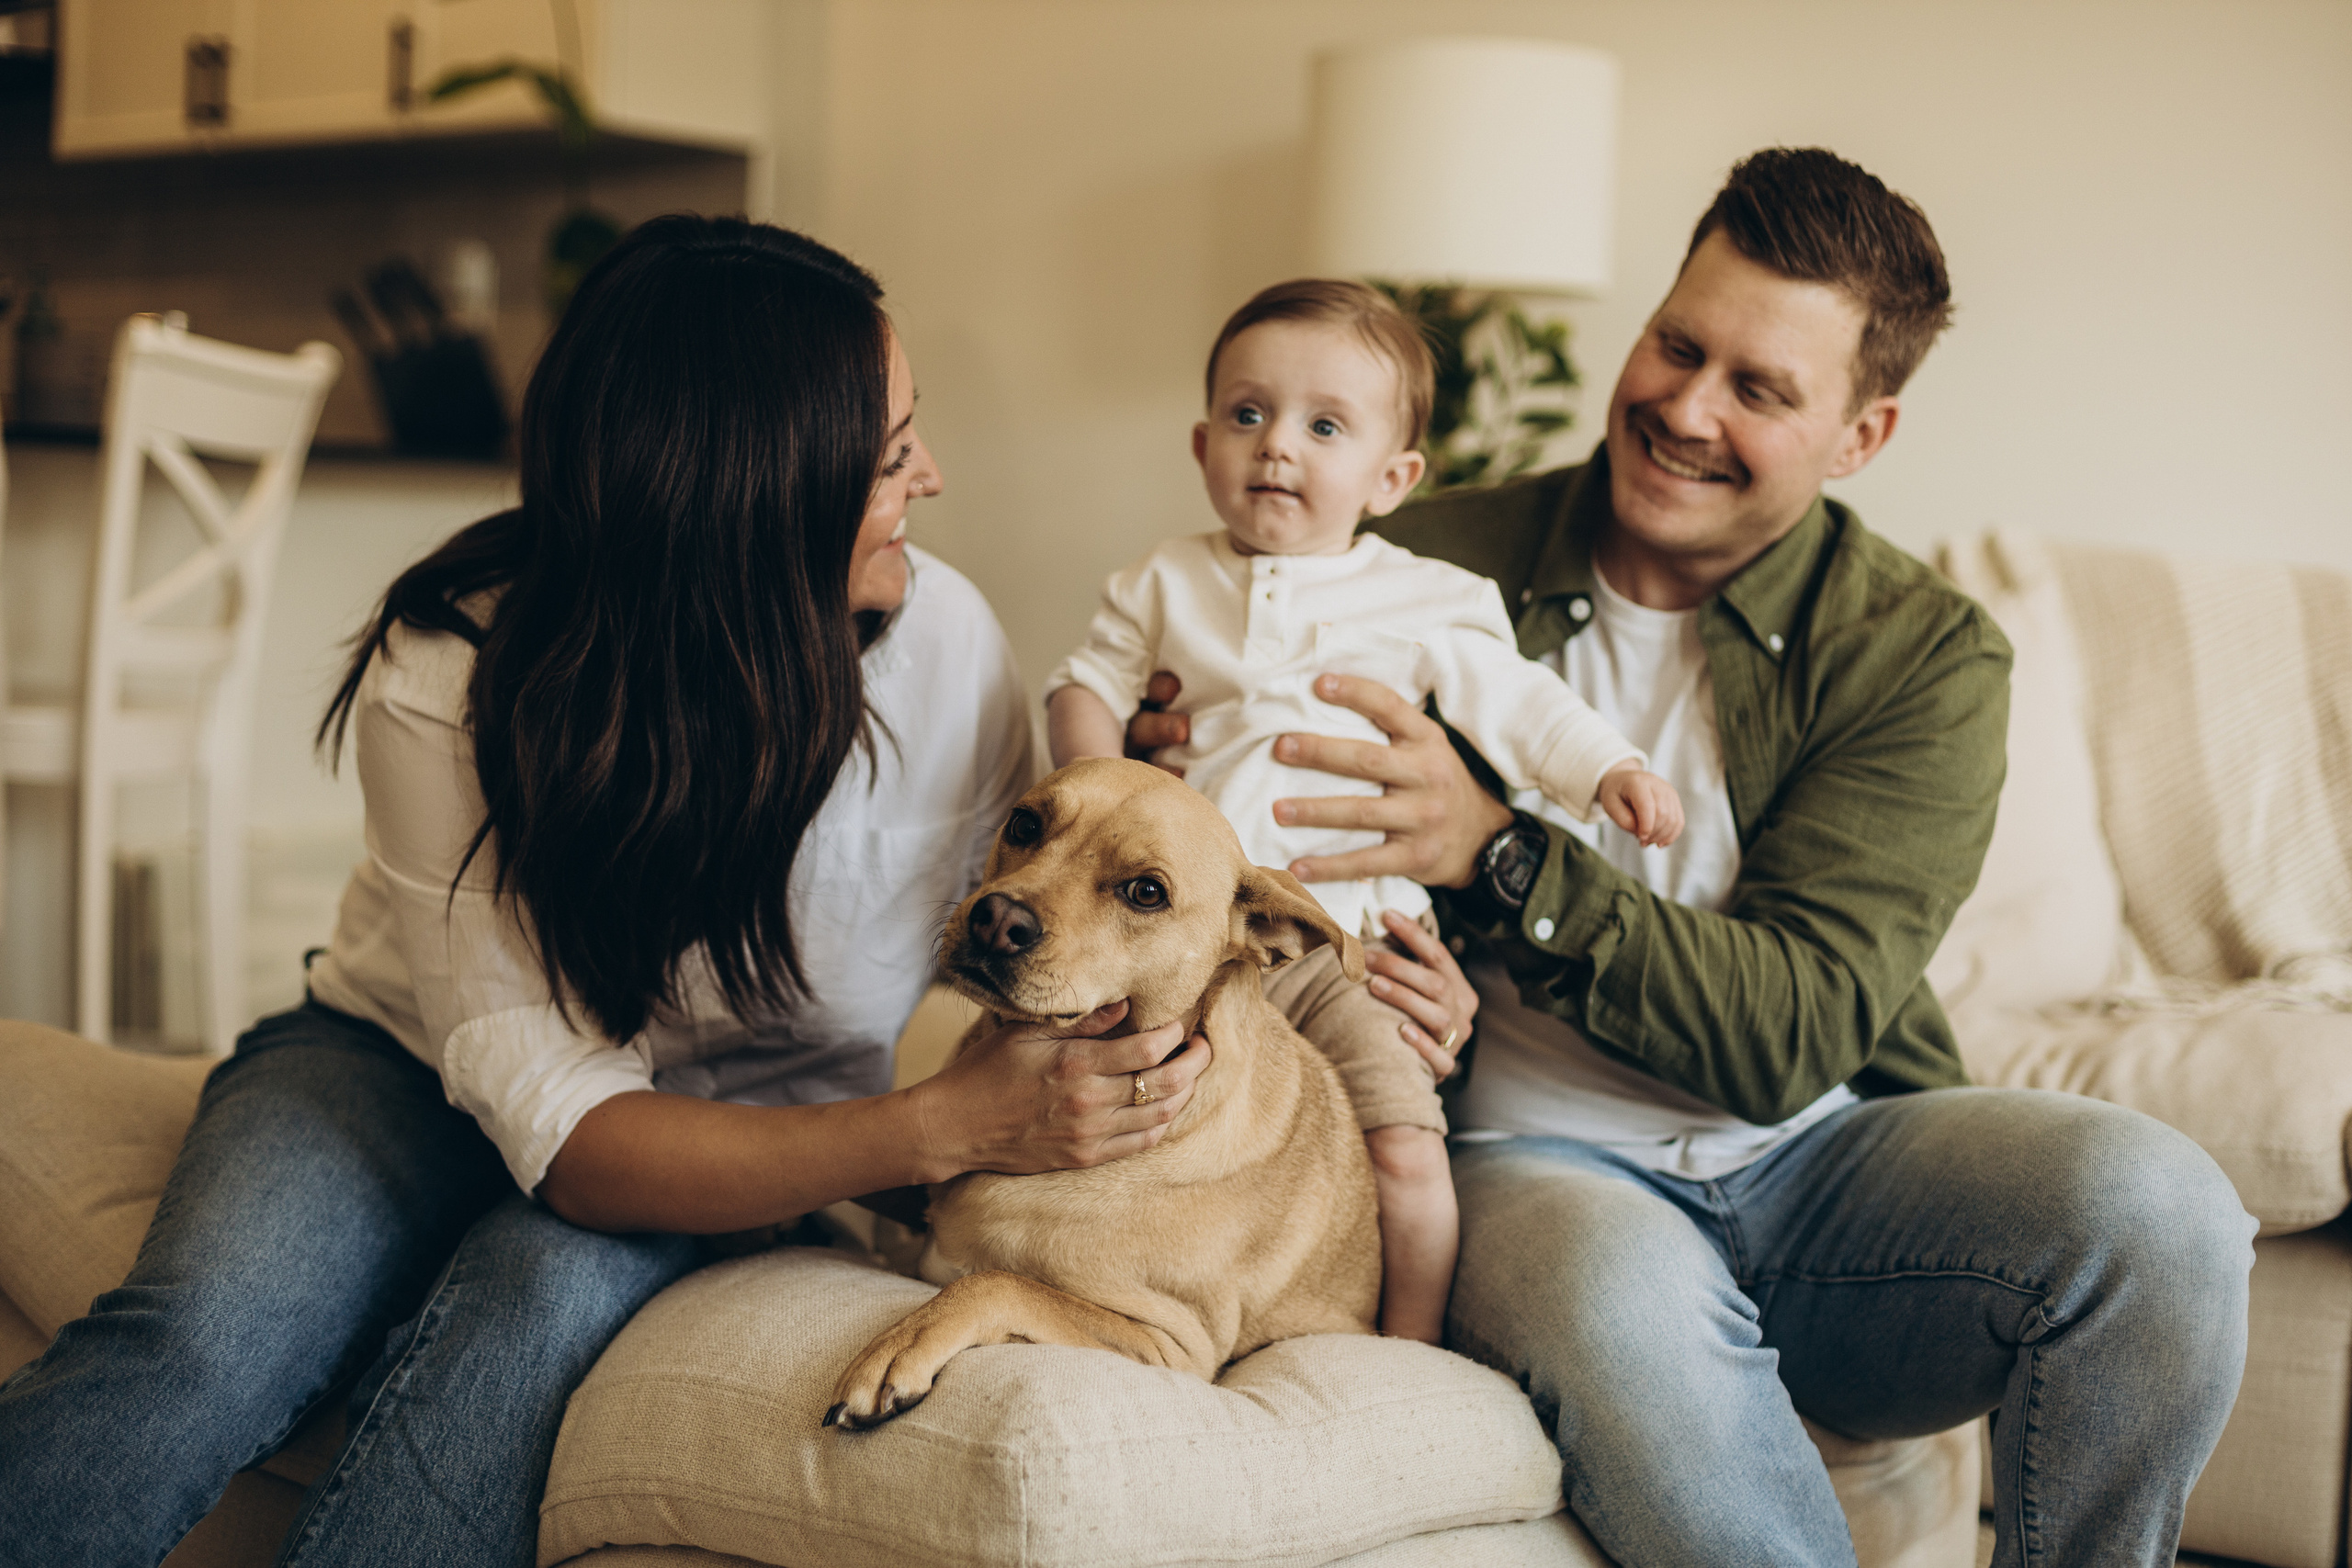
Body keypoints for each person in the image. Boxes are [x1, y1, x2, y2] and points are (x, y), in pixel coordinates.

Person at [0, 216, 1212, 1568]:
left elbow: (1048, 924)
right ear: (754, 498)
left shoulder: (949, 651)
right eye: (889, 453)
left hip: (757, 1128)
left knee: (518, 1317)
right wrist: (927, 1129)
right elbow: (574, 1136)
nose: (931, 473)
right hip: (397, 1062)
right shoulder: (451, 668)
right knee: (200, 1337)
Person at [1127, 149, 2256, 1566]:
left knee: (2167, 1208)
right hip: (1532, 1163)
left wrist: (1500, 854)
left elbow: (1794, 1030)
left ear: (1861, 434)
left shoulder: (1921, 652)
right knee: (1621, 1300)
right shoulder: (1414, 556)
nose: (1685, 408)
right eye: (1677, 344)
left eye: (1760, 389)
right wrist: (1167, 755)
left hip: (1828, 1159)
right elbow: (1223, 796)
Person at [1046, 278, 1680, 1345]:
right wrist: (1097, 790)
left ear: (1393, 479)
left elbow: (1522, 703)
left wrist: (1609, 768)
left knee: (1403, 1149)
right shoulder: (1163, 581)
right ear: (1202, 444)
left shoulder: (1424, 599)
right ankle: (1130, 1289)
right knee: (1128, 1110)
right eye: (1248, 414)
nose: (1276, 445)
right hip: (1190, 941)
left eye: (1323, 426)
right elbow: (1083, 685)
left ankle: (1407, 1351)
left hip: (1352, 947)